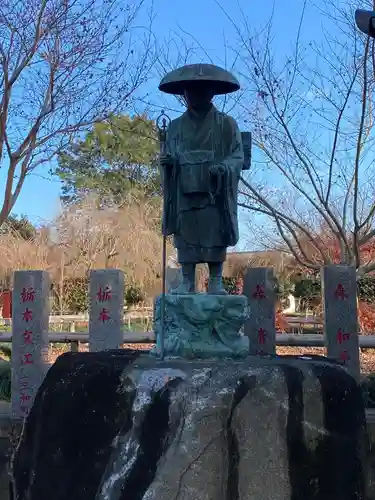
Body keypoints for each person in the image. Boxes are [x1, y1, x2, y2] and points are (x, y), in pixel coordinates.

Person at [159, 64, 244, 294]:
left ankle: (216, 279)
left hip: (213, 191)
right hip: (184, 188)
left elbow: (237, 155)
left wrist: (224, 167)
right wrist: (168, 164)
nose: (196, 95)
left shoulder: (226, 124)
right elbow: (169, 156)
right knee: (186, 230)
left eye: (202, 90)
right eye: (190, 90)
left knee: (213, 229)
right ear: (184, 93)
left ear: (212, 92)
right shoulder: (175, 127)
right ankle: (187, 280)